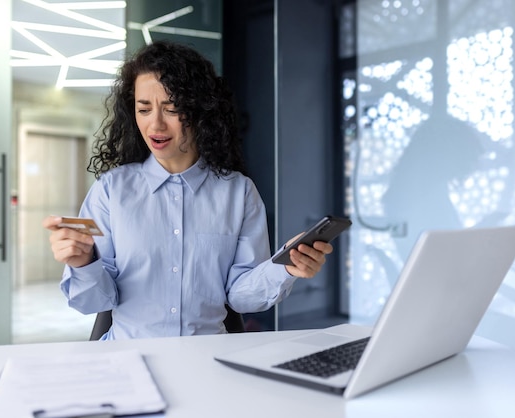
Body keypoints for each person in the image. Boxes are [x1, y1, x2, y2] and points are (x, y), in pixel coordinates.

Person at [42, 40, 333, 340]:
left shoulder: (238, 193)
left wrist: (286, 267)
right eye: (144, 109)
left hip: (207, 359)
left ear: (199, 112)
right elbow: (95, 302)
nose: (155, 124)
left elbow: (241, 297)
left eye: (171, 109)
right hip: (129, 357)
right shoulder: (111, 191)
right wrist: (83, 263)